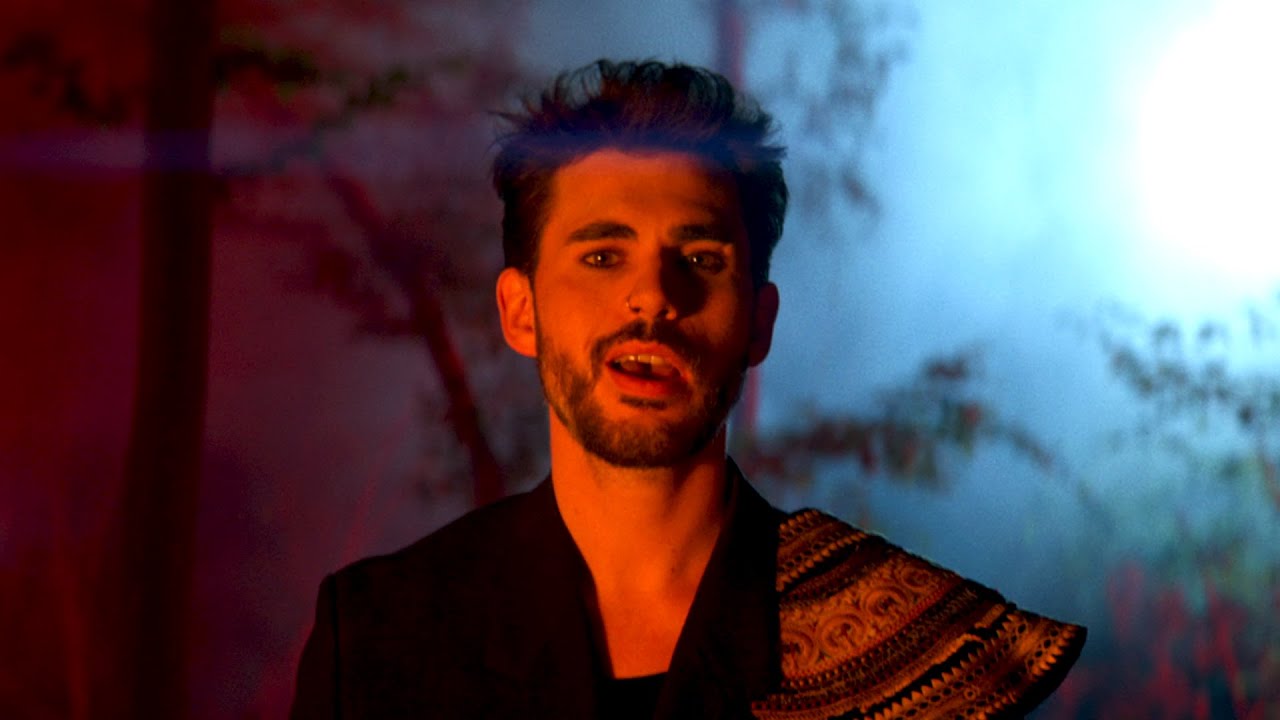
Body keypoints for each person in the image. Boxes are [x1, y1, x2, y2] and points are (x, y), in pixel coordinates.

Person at [290, 59, 1085, 719]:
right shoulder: (383, 638)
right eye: (603, 257)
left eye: (701, 259)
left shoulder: (920, 656)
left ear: (759, 322)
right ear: (520, 311)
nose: (652, 297)